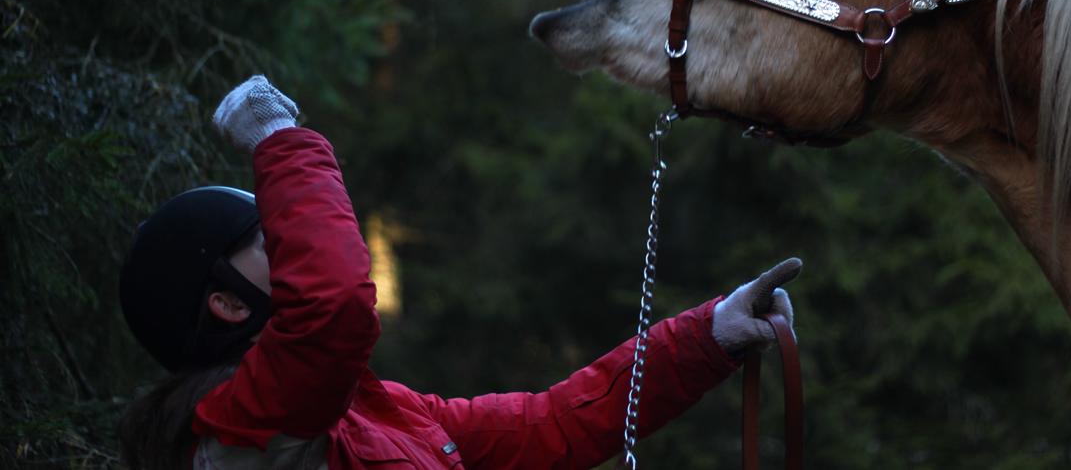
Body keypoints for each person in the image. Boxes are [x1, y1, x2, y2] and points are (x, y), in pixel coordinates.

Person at [118, 76, 802, 469]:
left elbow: (548, 424)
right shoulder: (243, 426)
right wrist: (280, 141)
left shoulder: (376, 412)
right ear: (227, 305)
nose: (297, 249)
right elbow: (335, 307)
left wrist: (710, 334)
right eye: (275, 244)